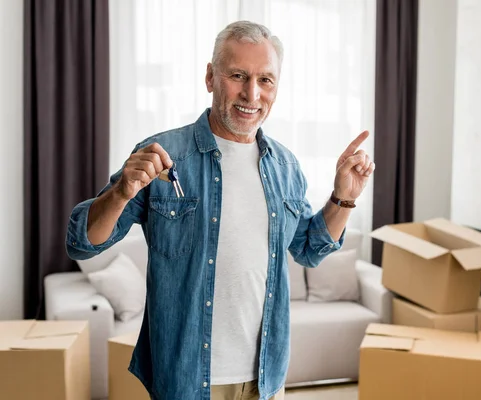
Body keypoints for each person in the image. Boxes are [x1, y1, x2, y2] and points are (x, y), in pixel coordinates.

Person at [66, 20, 374, 400]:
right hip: (185, 378)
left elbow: (308, 249)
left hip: (265, 378)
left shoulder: (286, 166)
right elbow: (82, 243)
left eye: (266, 80)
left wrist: (343, 197)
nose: (252, 93)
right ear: (210, 77)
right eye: (238, 75)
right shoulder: (163, 154)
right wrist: (120, 191)